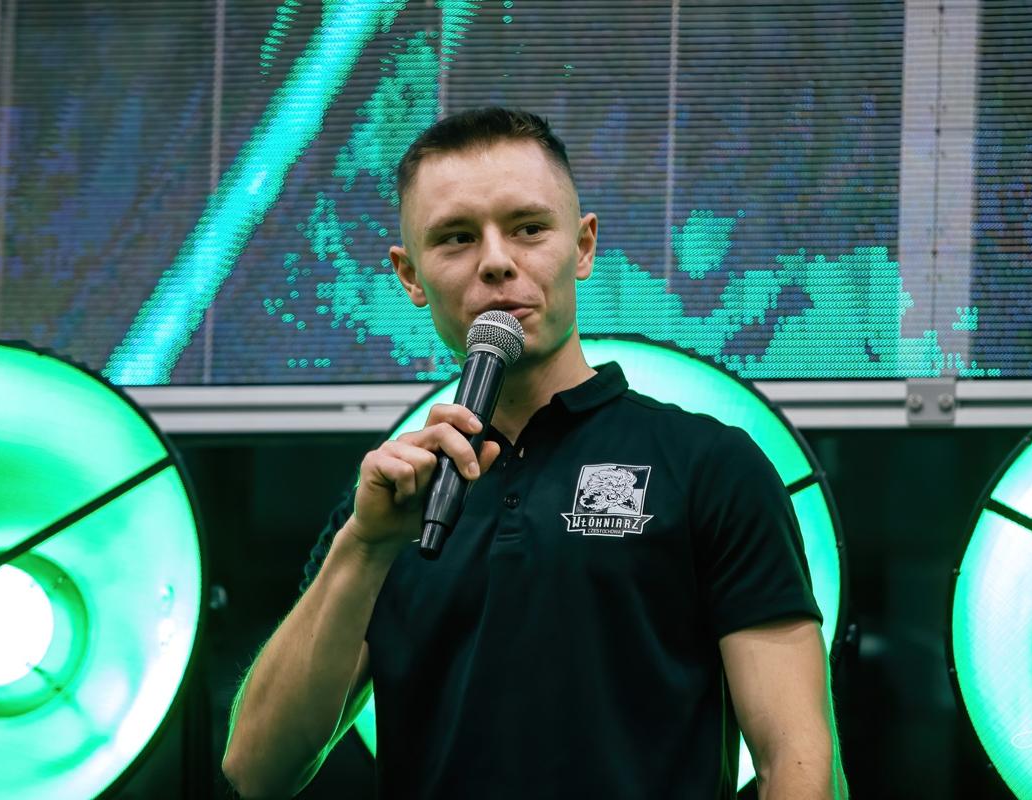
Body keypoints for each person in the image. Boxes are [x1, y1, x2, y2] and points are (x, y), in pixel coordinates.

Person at [222, 107, 848, 799]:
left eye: (527, 228)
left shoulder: (709, 466)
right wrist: (366, 547)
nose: (496, 261)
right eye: (456, 238)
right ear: (409, 275)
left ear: (582, 246)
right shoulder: (393, 501)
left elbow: (798, 759)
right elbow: (256, 770)